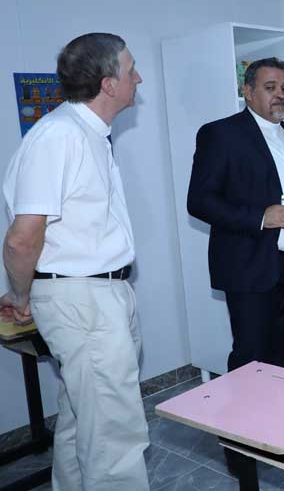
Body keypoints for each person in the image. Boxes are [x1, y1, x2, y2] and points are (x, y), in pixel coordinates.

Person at [1, 33, 148, 490]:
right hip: (83, 299)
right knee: (114, 435)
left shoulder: (88, 134)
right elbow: (22, 240)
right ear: (108, 84)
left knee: (83, 417)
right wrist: (22, 296)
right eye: (131, 68)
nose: (139, 78)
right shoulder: (59, 135)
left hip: (100, 293)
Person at [186, 57, 284, 483]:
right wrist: (259, 216)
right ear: (247, 92)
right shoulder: (220, 133)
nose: (280, 95)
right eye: (270, 87)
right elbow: (200, 201)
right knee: (251, 360)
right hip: (251, 266)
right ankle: (242, 452)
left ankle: (281, 437)